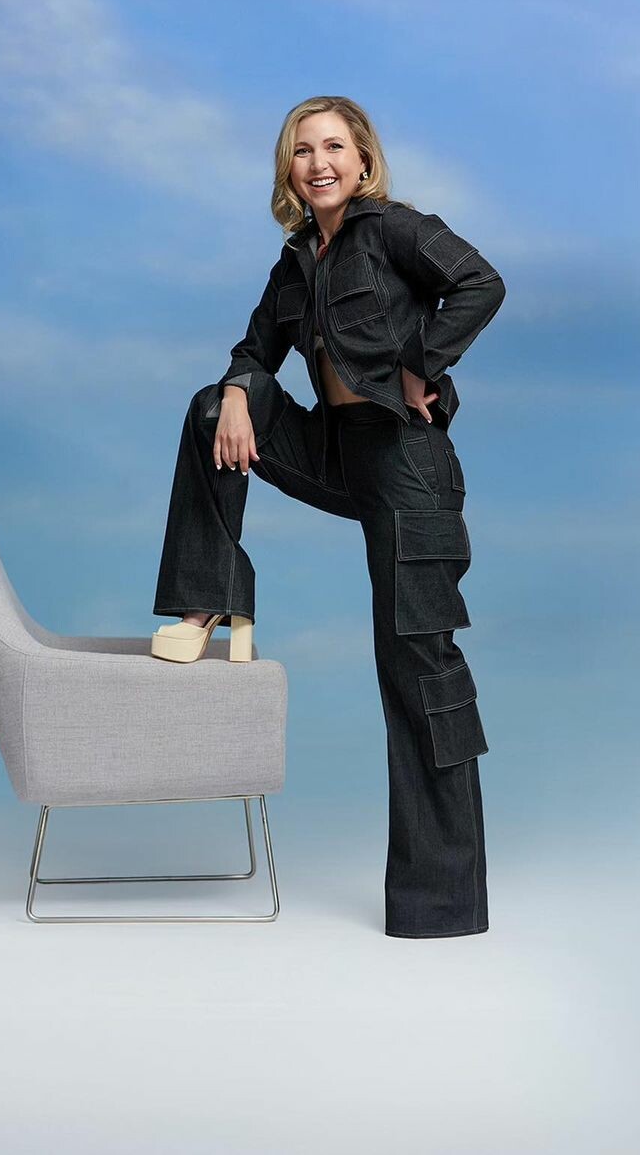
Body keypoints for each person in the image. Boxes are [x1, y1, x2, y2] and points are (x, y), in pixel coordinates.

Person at [150, 95, 506, 938]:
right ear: (289, 169)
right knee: (213, 406)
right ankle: (211, 598)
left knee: (418, 668)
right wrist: (244, 391)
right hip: (335, 451)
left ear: (363, 158)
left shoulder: (396, 230)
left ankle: (441, 904)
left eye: (335, 146)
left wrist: (422, 365)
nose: (319, 162)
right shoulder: (296, 261)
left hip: (408, 466)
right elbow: (252, 351)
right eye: (303, 150)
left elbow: (480, 283)